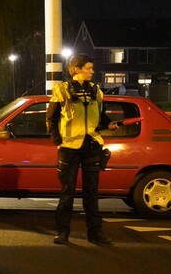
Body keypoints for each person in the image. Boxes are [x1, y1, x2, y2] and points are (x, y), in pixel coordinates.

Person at [45, 54, 117, 245]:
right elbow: (51, 118)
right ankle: (62, 232)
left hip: (92, 145)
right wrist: (57, 141)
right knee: (67, 192)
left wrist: (109, 124)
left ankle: (95, 233)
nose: (92, 71)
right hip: (69, 147)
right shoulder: (62, 90)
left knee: (91, 192)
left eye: (92, 68)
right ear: (76, 69)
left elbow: (101, 117)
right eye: (88, 68)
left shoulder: (97, 91)